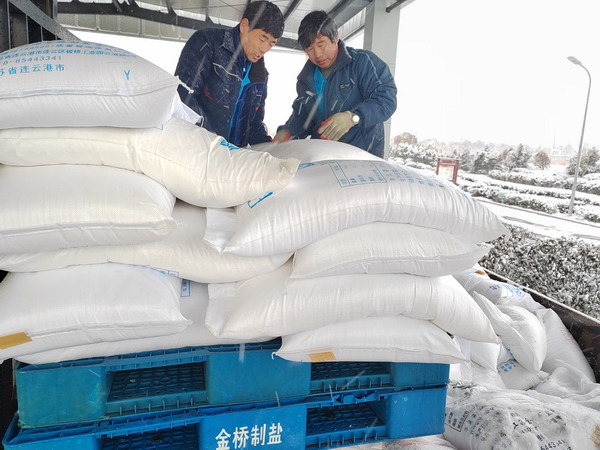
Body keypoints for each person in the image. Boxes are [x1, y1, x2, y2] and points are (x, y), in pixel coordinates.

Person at [274, 10, 397, 158]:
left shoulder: (363, 62)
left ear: (336, 37)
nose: (317, 54)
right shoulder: (305, 79)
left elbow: (386, 100)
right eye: (310, 49)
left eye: (321, 44)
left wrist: (353, 117)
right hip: (324, 156)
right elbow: (303, 116)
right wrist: (287, 131)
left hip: (363, 156)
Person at [174, 1, 284, 147]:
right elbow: (184, 95)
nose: (264, 49)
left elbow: (254, 124)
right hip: (196, 147)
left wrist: (272, 148)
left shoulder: (260, 75)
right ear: (244, 26)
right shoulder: (207, 43)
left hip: (231, 157)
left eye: (271, 43)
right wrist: (213, 141)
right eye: (262, 38)